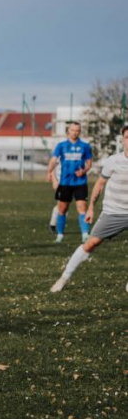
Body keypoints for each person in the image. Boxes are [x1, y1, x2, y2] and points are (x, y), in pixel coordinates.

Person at [51, 125, 128, 293]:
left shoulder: (84, 147)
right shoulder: (113, 161)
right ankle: (64, 277)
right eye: (127, 137)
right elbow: (100, 184)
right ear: (122, 140)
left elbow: (88, 164)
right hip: (113, 211)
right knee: (91, 243)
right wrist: (92, 208)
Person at [46, 122, 93, 243]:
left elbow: (89, 164)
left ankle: (85, 235)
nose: (75, 132)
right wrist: (49, 172)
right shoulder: (61, 146)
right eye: (73, 130)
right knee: (62, 209)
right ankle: (60, 235)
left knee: (82, 208)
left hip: (80, 182)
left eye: (77, 130)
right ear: (68, 131)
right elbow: (53, 160)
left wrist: (84, 171)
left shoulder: (85, 146)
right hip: (65, 183)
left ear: (80, 131)